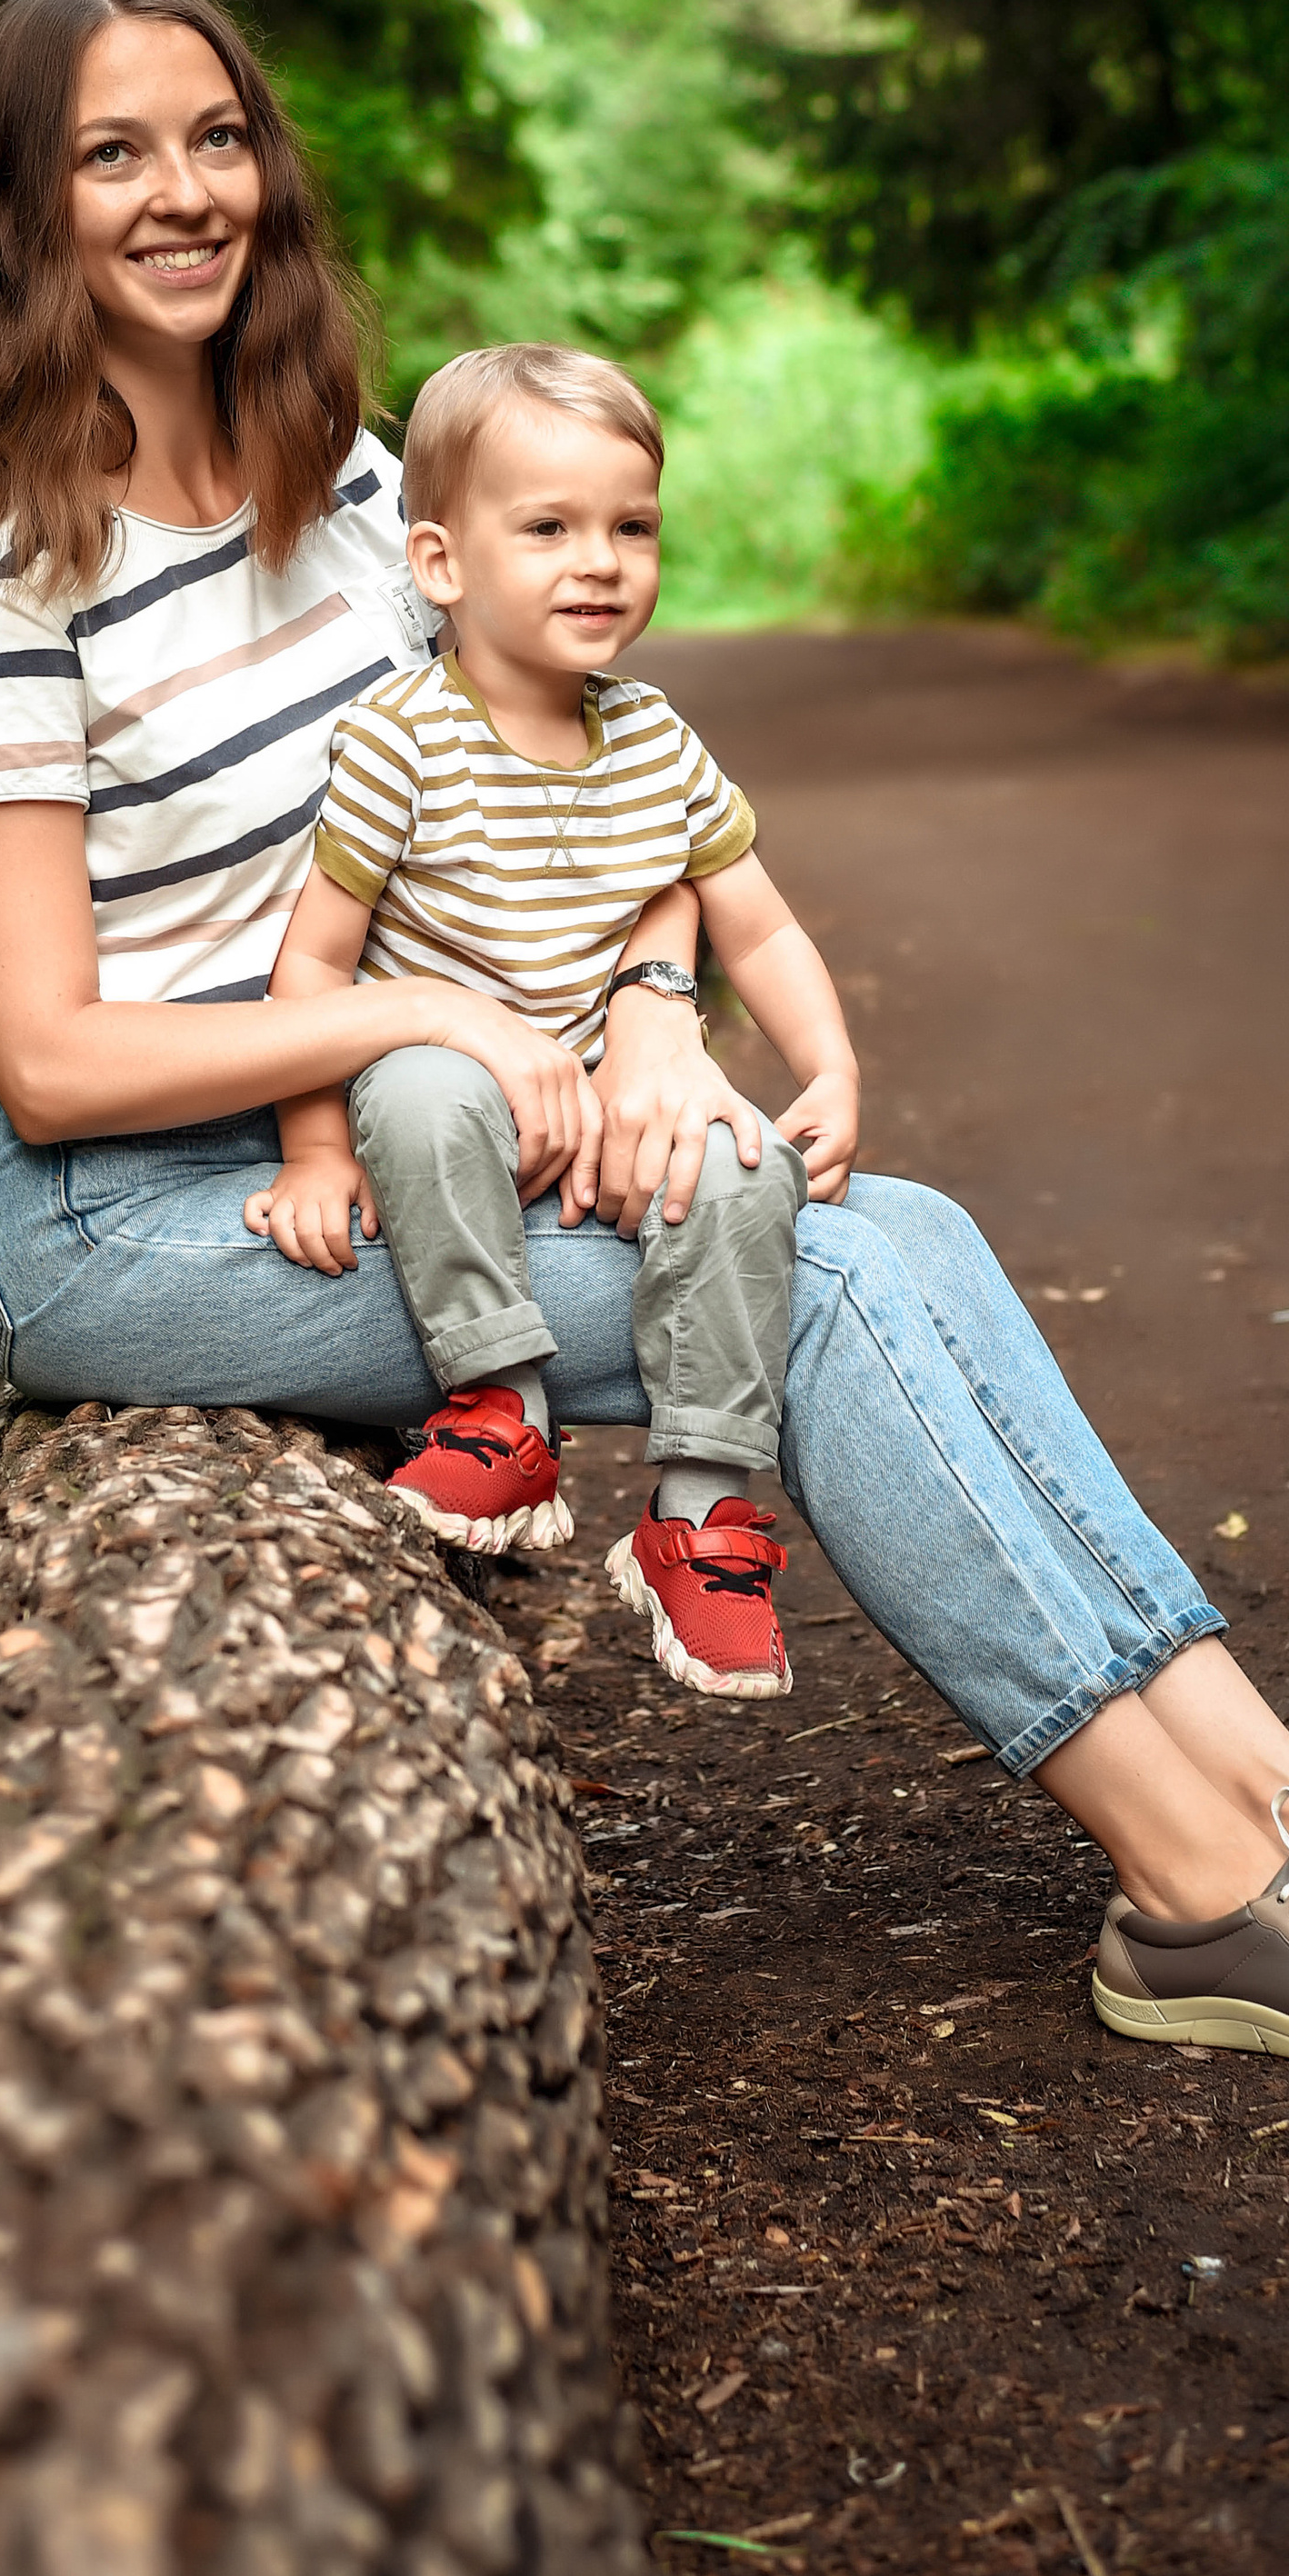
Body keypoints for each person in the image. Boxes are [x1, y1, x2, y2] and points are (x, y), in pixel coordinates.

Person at [0, 0, 1289, 2067]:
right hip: (130, 1221)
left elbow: (549, 792)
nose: (183, 193)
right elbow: (45, 1055)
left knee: (917, 1231)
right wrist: (406, 1022)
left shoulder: (352, 503)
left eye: (216, 136)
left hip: (411, 1111)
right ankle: (1191, 1891)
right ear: (15, 209)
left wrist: (643, 1009)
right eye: (111, 153)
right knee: (806, 1288)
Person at [254, 339, 859, 1700]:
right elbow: (314, 973)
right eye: (550, 528)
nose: (601, 561)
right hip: (450, 1092)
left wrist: (828, 1065)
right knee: (415, 1086)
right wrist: (312, 1153)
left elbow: (755, 924)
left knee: (744, 1164)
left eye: (631, 527)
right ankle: (500, 1410)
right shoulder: (399, 738)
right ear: (441, 563)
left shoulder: (654, 742)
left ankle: (698, 1511)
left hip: (606, 1102)